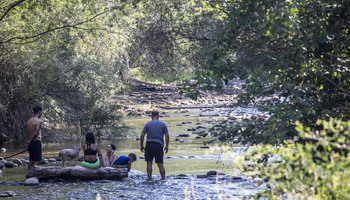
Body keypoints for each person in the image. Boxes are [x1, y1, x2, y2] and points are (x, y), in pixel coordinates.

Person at [140, 111, 169, 180]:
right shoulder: (163, 125)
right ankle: (163, 179)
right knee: (160, 164)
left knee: (149, 163)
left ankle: (150, 178)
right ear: (158, 116)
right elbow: (167, 136)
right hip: (159, 145)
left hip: (149, 145)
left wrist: (141, 145)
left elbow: (142, 135)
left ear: (151, 116)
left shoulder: (147, 124)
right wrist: (167, 146)